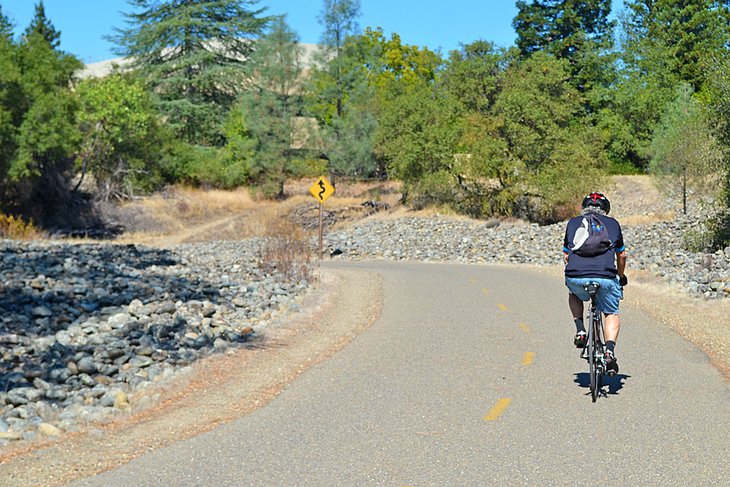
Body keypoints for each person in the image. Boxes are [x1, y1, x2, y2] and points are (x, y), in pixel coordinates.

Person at [563, 192, 627, 374]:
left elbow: (566, 255)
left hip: (577, 276)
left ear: (584, 208)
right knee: (611, 312)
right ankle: (609, 351)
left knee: (574, 293)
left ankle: (580, 330)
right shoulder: (612, 224)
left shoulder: (573, 223)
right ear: (605, 210)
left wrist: (575, 271)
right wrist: (620, 276)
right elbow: (621, 255)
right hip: (605, 277)